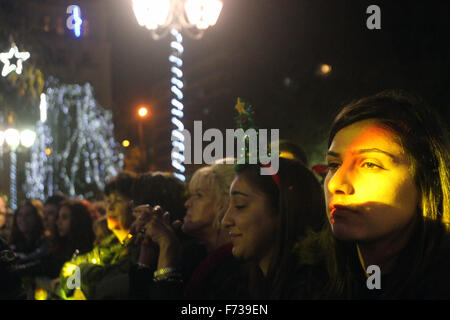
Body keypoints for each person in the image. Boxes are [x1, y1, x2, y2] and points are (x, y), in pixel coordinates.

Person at [298, 90, 450, 299]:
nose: (335, 184)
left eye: (370, 164)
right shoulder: (306, 277)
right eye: (333, 165)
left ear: (425, 180)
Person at [132, 159, 242, 299]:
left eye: (199, 195)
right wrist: (146, 257)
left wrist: (167, 248)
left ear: (226, 203)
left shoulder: (236, 270)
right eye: (190, 196)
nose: (187, 203)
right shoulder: (193, 257)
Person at [220, 157, 326, 299]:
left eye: (240, 205)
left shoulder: (320, 290)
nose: (225, 221)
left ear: (284, 208)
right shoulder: (233, 284)